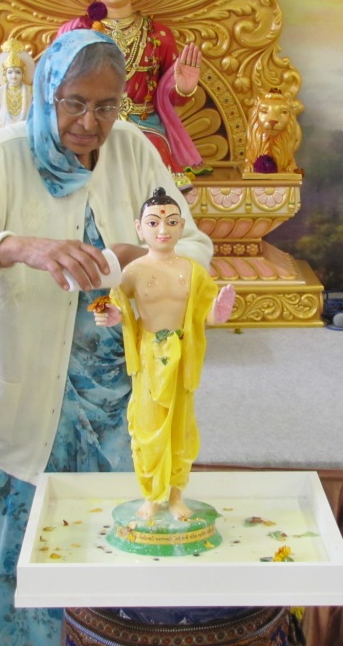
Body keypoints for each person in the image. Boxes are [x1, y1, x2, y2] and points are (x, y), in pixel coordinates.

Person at [0, 29, 212, 645]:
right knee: (6, 580)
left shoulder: (133, 151)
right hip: (18, 412)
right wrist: (16, 245)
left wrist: (142, 260)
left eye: (106, 106)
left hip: (117, 412)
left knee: (108, 577)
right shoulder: (0, 155)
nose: (89, 123)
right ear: (47, 93)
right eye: (74, 103)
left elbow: (196, 246)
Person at [92, 187, 234, 520]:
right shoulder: (134, 271)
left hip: (181, 354)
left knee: (181, 427)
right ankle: (152, 495)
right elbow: (118, 305)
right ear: (139, 228)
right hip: (149, 355)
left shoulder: (193, 271)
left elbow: (204, 314)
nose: (163, 230)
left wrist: (219, 312)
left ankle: (176, 495)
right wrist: (111, 315)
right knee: (148, 426)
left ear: (182, 226)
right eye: (154, 222)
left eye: (171, 222)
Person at [60, 0, 212, 188]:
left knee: (153, 171)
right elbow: (57, 87)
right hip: (89, 124)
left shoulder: (158, 34)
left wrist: (183, 87)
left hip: (145, 126)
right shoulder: (76, 31)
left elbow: (172, 98)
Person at [0, 36, 35, 132]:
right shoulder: (0, 91)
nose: (14, 76)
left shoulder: (30, 90)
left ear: (23, 74)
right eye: (10, 72)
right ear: (4, 75)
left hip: (26, 126)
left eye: (18, 72)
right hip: (3, 125)